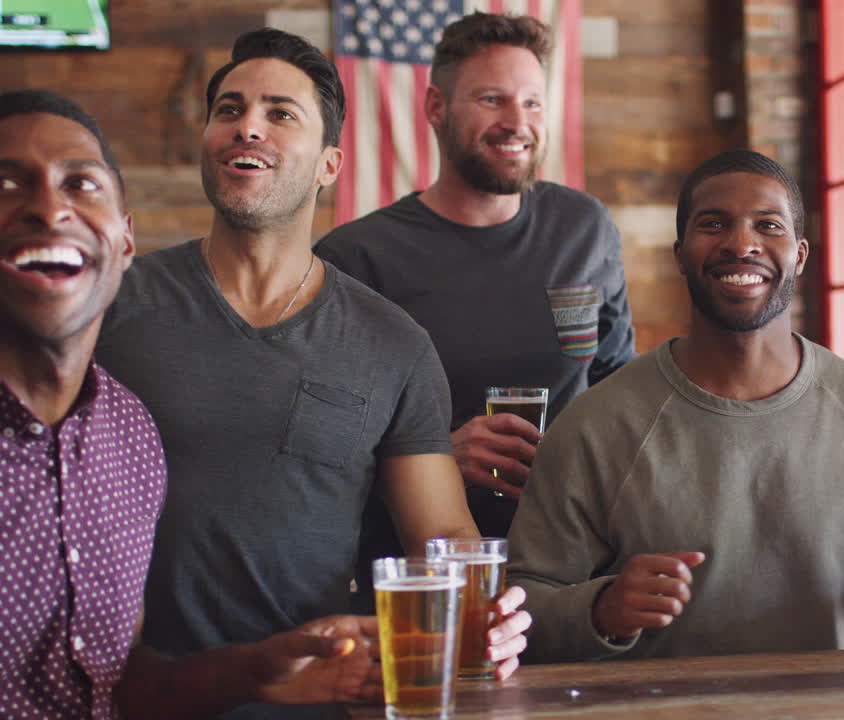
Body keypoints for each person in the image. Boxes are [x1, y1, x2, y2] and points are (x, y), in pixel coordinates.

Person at [93, 30, 528, 719]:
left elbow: (443, 538)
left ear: (330, 165)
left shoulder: (395, 344)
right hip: (132, 700)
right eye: (229, 110)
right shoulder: (110, 304)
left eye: (280, 113)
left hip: (320, 700)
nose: (248, 127)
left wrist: (488, 614)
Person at [505, 150, 844, 662]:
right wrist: (602, 610)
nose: (741, 243)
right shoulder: (596, 424)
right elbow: (523, 603)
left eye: (767, 225)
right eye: (713, 224)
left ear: (799, 254)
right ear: (680, 255)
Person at [0, 88, 388, 719]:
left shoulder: (127, 433)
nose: (50, 208)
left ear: (125, 242)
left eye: (82, 184)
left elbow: (117, 686)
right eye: (8, 183)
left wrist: (257, 672)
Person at [317, 11, 635, 539]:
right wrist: (433, 453)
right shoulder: (357, 257)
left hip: (576, 556)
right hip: (428, 567)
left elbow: (617, 383)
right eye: (493, 100)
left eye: (532, 102)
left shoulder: (585, 228)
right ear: (436, 107)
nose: (517, 122)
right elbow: (326, 446)